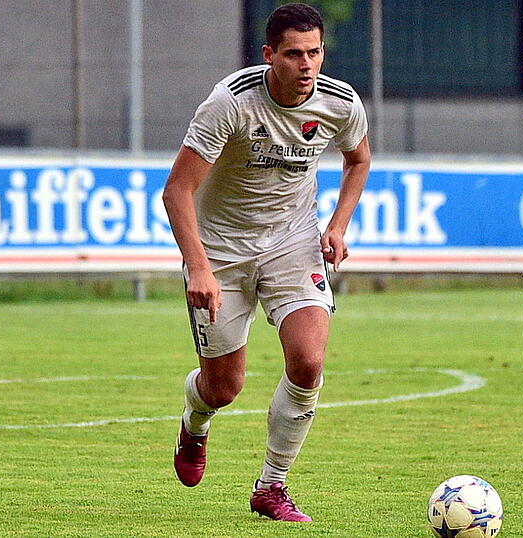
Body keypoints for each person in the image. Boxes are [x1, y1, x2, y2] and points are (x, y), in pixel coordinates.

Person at [162, 2, 371, 523]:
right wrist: (199, 267)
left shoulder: (340, 103)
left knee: (309, 362)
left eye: (315, 52)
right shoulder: (230, 103)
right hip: (222, 251)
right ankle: (195, 421)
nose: (307, 65)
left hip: (292, 244)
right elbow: (177, 191)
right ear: (269, 54)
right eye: (294, 54)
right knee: (224, 388)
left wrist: (338, 226)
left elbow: (359, 159)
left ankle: (272, 486)